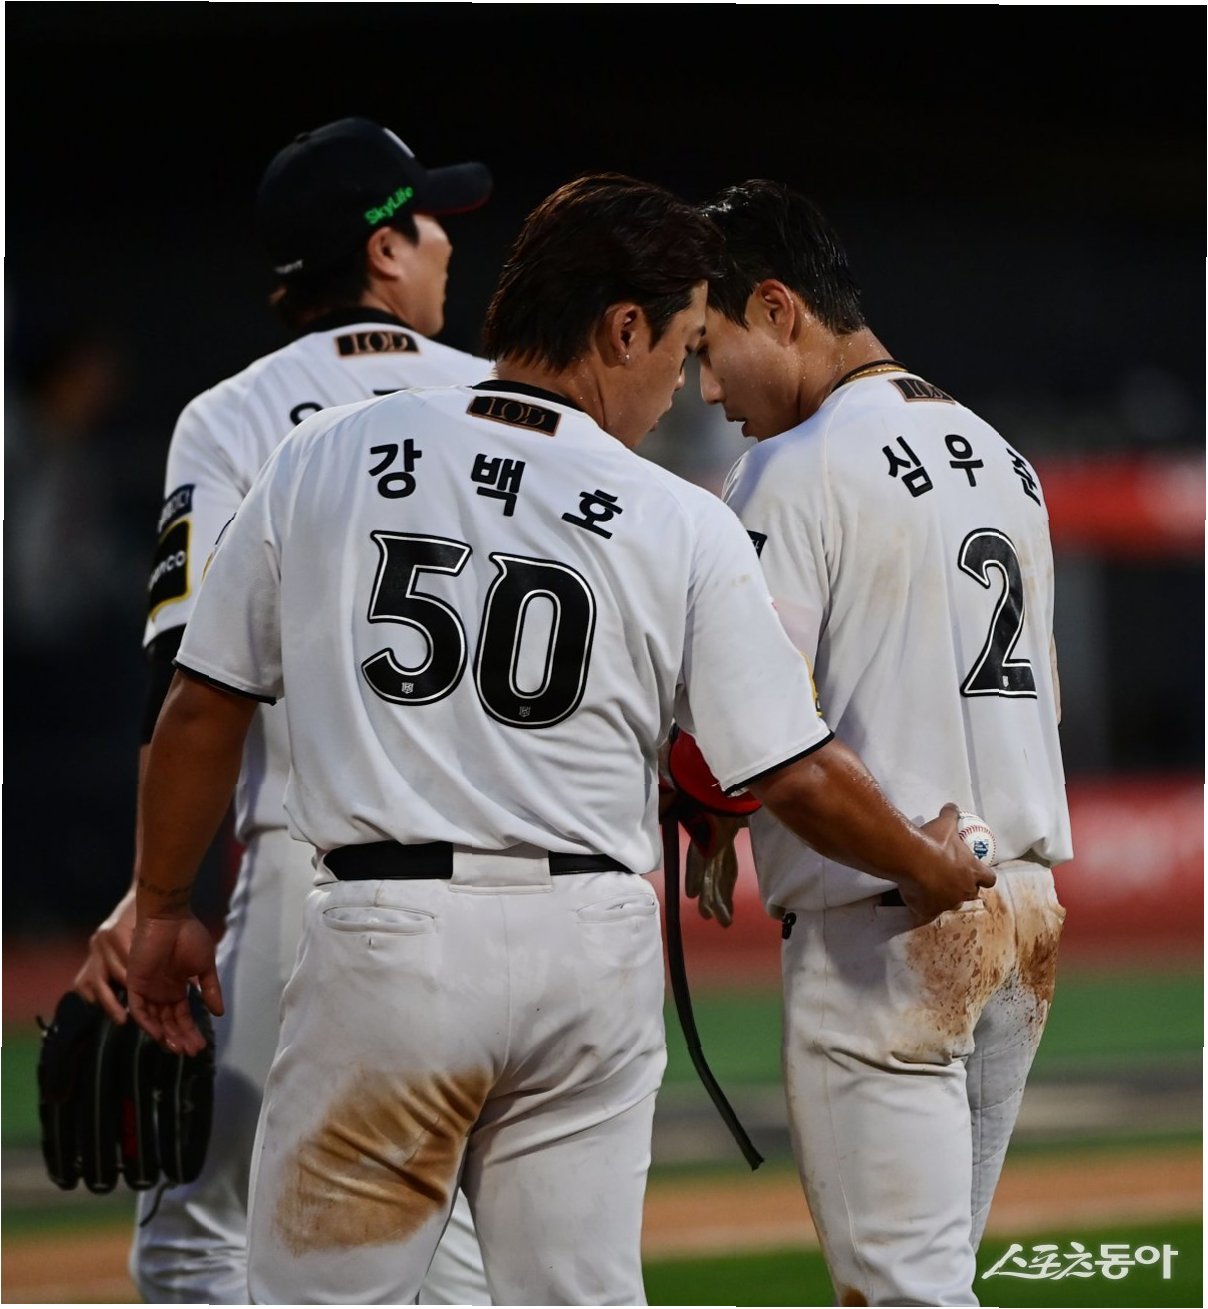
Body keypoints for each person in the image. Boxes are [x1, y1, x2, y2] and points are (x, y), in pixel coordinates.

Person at [123, 172, 993, 1306]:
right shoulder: (676, 516)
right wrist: (928, 863)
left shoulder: (326, 453)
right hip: (590, 949)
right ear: (621, 329)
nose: (681, 381)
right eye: (680, 343)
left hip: (387, 938)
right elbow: (797, 772)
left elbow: (202, 706)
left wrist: (160, 908)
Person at [71, 116, 494, 1306]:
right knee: (447, 1242)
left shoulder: (232, 417)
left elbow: (188, 683)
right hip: (512, 887)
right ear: (382, 250)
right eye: (428, 219)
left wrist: (155, 896)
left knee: (199, 1236)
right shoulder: (513, 407)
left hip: (314, 870)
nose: (446, 242)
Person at [693, 178, 1073, 1306]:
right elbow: (1043, 706)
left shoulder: (788, 467)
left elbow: (748, 721)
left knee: (903, 1296)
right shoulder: (1007, 459)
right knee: (938, 1281)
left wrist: (708, 806)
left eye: (709, 346)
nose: (706, 387)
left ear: (777, 308)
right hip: (1024, 914)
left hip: (886, 924)